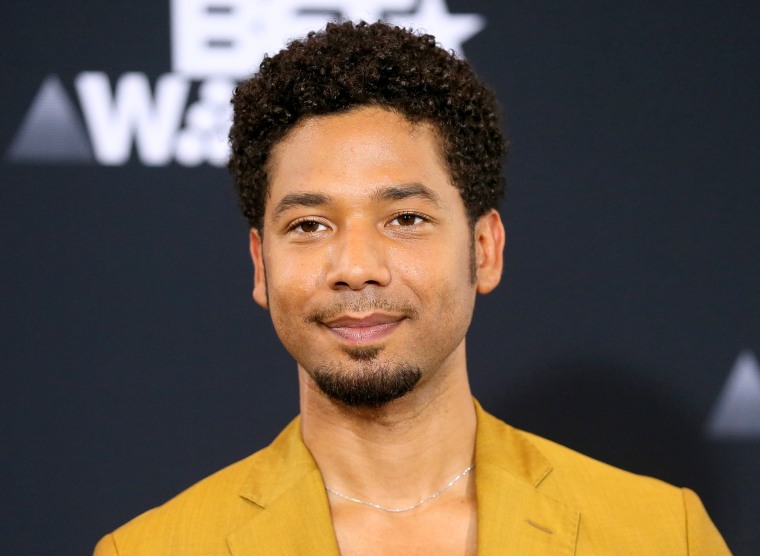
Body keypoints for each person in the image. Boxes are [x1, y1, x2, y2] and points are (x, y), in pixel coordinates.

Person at [94, 21, 730, 555]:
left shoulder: (659, 534)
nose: (356, 266)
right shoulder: (155, 548)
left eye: (405, 219)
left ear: (484, 249)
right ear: (261, 265)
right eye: (309, 225)